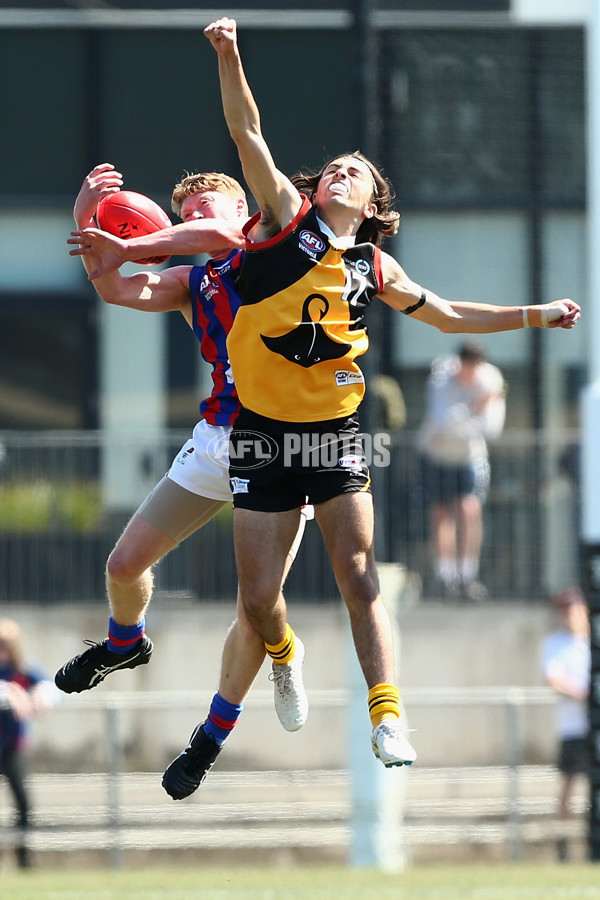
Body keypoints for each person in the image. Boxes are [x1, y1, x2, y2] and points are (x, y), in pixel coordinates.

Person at [201, 16, 580, 769]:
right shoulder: (286, 220)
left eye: (356, 171)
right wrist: (230, 53)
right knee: (255, 601)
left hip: (336, 434)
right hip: (262, 432)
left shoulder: (372, 266)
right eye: (334, 166)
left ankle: (387, 717)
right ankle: (283, 654)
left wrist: (536, 315)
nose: (340, 172)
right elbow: (248, 133)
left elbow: (448, 315)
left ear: (375, 204)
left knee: (361, 573)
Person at [55, 163, 309, 800]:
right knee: (122, 565)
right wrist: (87, 220)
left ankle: (211, 735)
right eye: (186, 212)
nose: (196, 219)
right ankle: (125, 642)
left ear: (241, 206)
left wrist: (137, 244)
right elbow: (117, 290)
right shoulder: (192, 279)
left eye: (207, 208)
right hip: (219, 438)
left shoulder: (267, 237)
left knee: (256, 605)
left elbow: (223, 238)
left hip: (283, 443)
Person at [417, 340, 505, 602]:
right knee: (441, 513)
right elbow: (443, 420)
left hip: (470, 457)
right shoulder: (441, 376)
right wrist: (474, 409)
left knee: (469, 509)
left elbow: (491, 428)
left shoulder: (491, 379)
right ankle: (446, 577)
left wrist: (461, 421)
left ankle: (468, 576)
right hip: (435, 454)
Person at [0, 618, 58, 868]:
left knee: (23, 803)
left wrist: (41, 695)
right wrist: (8, 693)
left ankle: (23, 860)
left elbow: (51, 687)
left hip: (12, 747)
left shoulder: (23, 668)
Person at [541, 587, 591, 862]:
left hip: (593, 728)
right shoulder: (555, 643)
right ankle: (563, 848)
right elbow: (554, 678)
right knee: (567, 789)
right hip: (572, 728)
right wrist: (586, 696)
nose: (568, 616)